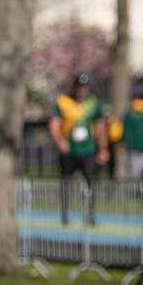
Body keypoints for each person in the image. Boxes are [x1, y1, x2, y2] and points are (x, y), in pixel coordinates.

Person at [47, 72, 109, 225]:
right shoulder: (64, 102)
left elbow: (100, 126)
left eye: (84, 87)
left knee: (90, 182)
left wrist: (103, 148)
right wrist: (60, 141)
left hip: (87, 150)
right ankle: (65, 214)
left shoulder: (93, 103)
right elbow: (54, 124)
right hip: (69, 151)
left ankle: (89, 214)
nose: (81, 90)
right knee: (66, 182)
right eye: (79, 87)